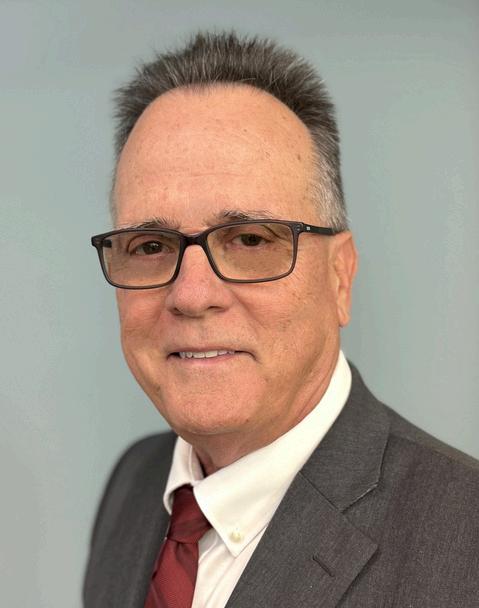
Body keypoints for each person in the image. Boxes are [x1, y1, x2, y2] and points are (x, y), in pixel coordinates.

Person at [83, 31, 479, 607]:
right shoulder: (133, 483)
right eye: (150, 246)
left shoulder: (465, 543)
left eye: (250, 239)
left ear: (340, 276)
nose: (192, 295)